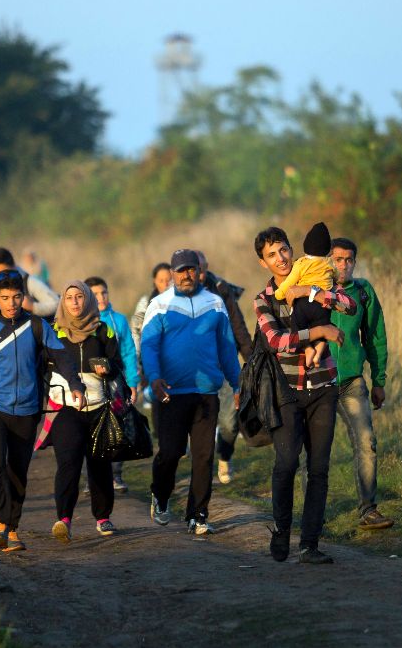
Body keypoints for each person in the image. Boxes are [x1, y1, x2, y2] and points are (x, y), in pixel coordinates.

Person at [0, 270, 84, 552]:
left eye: (17, 297)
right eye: (6, 298)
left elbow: (62, 356)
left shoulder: (36, 326)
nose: (12, 303)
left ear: (24, 297)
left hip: (27, 410)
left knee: (18, 472)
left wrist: (75, 384)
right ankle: (0, 524)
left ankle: (13, 529)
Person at [253, 226, 356, 563]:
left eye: (284, 250)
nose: (281, 258)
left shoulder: (316, 274)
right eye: (272, 255)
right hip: (287, 391)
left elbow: (348, 304)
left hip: (324, 386)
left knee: (319, 468)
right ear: (262, 262)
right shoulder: (264, 299)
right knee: (286, 462)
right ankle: (282, 530)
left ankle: (310, 544)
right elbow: (276, 342)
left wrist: (310, 292)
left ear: (291, 250)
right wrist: (321, 330)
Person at [141, 249, 241, 535]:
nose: (186, 275)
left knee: (204, 456)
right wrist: (155, 377)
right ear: (172, 274)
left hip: (206, 393)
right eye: (180, 270)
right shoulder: (159, 304)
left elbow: (226, 347)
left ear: (200, 271)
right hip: (171, 393)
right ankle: (160, 495)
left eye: (191, 269)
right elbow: (149, 345)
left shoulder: (215, 303)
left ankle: (197, 515)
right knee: (170, 452)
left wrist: (237, 384)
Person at [46, 281, 127, 542]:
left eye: (80, 297)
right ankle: (64, 520)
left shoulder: (103, 331)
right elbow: (44, 368)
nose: (75, 302)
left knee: (99, 462)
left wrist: (108, 369)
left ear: (88, 300)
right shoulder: (53, 333)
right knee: (68, 462)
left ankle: (103, 517)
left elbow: (117, 364)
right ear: (63, 302)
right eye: (69, 297)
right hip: (65, 409)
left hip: (99, 407)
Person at [327, 237, 394, 531]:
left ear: (355, 261)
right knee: (314, 451)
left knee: (367, 443)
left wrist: (379, 380)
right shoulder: (315, 291)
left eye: (349, 259)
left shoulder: (364, 291)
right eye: (338, 259)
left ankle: (368, 509)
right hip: (319, 382)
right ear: (328, 260)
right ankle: (309, 516)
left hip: (353, 381)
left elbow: (375, 336)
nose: (343, 265)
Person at [195, 251, 253, 485]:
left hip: (226, 366)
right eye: (191, 269)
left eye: (200, 269)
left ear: (206, 268)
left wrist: (251, 360)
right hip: (196, 372)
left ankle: (225, 456)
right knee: (203, 424)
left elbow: (238, 326)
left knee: (229, 424)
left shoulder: (220, 289)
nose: (196, 275)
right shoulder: (177, 296)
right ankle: (201, 475)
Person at [85, 276, 141, 493]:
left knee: (118, 427)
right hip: (90, 386)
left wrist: (132, 382)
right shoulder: (82, 321)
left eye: (104, 292)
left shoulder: (118, 320)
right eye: (95, 294)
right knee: (91, 430)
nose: (101, 298)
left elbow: (128, 352)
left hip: (116, 384)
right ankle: (92, 478)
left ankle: (116, 475)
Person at [274, 222, 338, 370]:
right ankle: (318, 353)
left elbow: (289, 282)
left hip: (302, 305)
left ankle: (309, 349)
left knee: (297, 327)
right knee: (324, 327)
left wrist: (279, 294)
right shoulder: (329, 262)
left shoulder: (301, 263)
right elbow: (337, 277)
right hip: (322, 305)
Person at [0, 247, 60, 319]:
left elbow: (56, 303)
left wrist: (33, 307)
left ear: (13, 266)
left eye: (4, 272)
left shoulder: (30, 282)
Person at [130, 262, 172, 357]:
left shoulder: (182, 302)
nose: (165, 284)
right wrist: (137, 355)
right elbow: (136, 330)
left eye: (168, 280)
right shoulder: (146, 303)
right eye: (161, 281)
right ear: (155, 282)